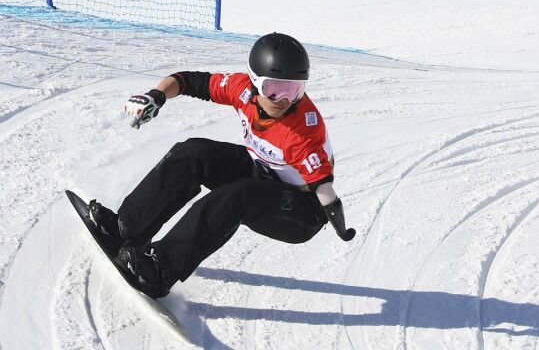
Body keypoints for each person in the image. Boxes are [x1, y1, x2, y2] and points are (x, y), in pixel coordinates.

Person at [88, 32, 356, 298]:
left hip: (302, 209)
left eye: (295, 89)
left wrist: (341, 228)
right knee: (194, 152)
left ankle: (159, 270)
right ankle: (126, 228)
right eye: (274, 89)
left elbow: (324, 190)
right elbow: (189, 81)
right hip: (264, 171)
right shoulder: (241, 90)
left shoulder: (302, 132)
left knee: (236, 197)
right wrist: (156, 95)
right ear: (254, 83)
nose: (285, 99)